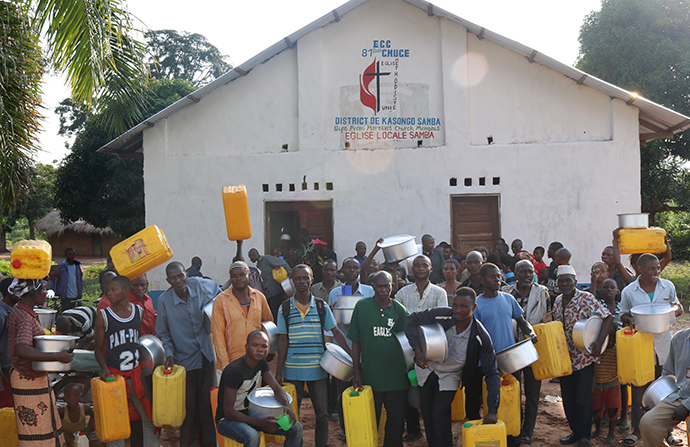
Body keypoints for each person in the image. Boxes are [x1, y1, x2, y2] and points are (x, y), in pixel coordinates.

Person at [405, 287, 500, 447]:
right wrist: (418, 351)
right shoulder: (442, 314)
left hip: (451, 375)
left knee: (439, 414)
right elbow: (410, 320)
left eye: (464, 307)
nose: (458, 310)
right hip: (427, 368)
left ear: (474, 308)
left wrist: (492, 410)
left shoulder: (480, 336)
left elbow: (492, 373)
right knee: (427, 414)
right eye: (455, 305)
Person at [275, 265, 351, 447]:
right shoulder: (284, 308)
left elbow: (336, 332)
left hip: (318, 369)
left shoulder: (320, 305)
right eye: (298, 278)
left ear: (311, 280)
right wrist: (278, 372)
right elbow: (283, 341)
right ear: (293, 281)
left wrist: (352, 359)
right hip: (293, 369)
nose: (301, 282)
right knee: (294, 413)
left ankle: (321, 444)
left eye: (305, 278)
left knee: (322, 414)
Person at [620, 253, 682, 446]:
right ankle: (637, 430)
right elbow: (622, 314)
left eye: (657, 268)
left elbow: (676, 306)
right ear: (640, 269)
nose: (656, 271)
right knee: (640, 391)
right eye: (651, 268)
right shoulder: (629, 291)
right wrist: (630, 320)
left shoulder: (668, 286)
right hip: (641, 348)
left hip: (664, 346)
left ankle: (667, 431)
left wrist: (677, 307)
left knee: (666, 390)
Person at [156, 262, 220, 447]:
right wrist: (169, 353)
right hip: (184, 362)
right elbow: (163, 332)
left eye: (180, 276)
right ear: (168, 280)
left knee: (207, 406)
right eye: (173, 278)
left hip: (206, 356)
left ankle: (209, 444)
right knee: (188, 409)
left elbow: (219, 292)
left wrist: (212, 308)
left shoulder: (200, 285)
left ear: (186, 275)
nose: (178, 280)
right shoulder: (164, 301)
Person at [547, 266, 612, 447]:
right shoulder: (558, 300)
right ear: (557, 284)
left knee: (583, 398)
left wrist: (599, 342)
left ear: (575, 282)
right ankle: (575, 431)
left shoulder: (586, 298)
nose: (565, 284)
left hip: (584, 358)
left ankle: (585, 436)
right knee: (567, 397)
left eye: (569, 280)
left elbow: (608, 317)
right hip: (565, 359)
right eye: (561, 281)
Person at [473, 263, 537, 447]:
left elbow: (523, 322)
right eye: (492, 277)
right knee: (490, 399)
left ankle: (514, 437)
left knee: (514, 397)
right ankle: (493, 436)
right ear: (483, 280)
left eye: (499, 276)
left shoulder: (508, 299)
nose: (497, 280)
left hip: (510, 360)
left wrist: (530, 333)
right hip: (487, 362)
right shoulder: (478, 304)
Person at [8, 278, 73, 447]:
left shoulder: (25, 312)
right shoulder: (24, 317)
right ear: (33, 292)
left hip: (33, 377)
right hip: (26, 379)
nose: (46, 293)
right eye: (43, 289)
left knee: (46, 426)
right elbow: (21, 349)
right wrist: (57, 356)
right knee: (36, 432)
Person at [348, 271, 409, 447]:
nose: (383, 290)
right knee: (369, 418)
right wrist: (356, 372)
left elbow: (409, 340)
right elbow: (356, 342)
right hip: (370, 376)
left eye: (387, 286)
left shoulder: (399, 310)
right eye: (379, 286)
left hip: (396, 377)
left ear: (392, 286)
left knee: (396, 421)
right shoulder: (362, 307)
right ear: (373, 287)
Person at [94, 275, 156, 447]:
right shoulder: (103, 316)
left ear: (125, 291)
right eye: (109, 290)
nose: (110, 293)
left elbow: (137, 339)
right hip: (115, 376)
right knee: (116, 421)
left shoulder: (138, 311)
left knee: (147, 417)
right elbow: (98, 348)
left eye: (114, 290)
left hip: (136, 375)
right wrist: (104, 367)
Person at [216, 331, 302, 447]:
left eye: (264, 346)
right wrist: (260, 423)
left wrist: (287, 405)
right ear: (246, 347)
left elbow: (276, 387)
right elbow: (228, 411)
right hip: (228, 420)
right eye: (255, 345)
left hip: (252, 415)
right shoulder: (234, 371)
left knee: (296, 428)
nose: (260, 349)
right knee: (252, 437)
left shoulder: (261, 363)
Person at [394, 255, 447, 442]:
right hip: (407, 350)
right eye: (417, 265)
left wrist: (422, 348)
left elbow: (439, 323)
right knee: (409, 389)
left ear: (431, 269)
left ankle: (433, 433)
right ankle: (414, 429)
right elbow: (400, 323)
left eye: (425, 265)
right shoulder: (402, 293)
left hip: (432, 350)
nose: (421, 268)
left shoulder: (439, 294)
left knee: (428, 393)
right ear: (412, 270)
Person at [501, 259, 550, 444]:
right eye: (523, 271)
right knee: (513, 390)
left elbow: (547, 316)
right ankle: (515, 426)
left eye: (530, 272)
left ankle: (528, 431)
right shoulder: (506, 292)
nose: (527, 275)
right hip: (511, 347)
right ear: (515, 272)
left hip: (534, 347)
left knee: (532, 391)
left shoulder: (541, 291)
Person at [328, 256, 374, 438]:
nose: (352, 271)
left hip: (368, 349)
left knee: (368, 388)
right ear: (343, 271)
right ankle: (346, 429)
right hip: (344, 349)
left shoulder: (369, 291)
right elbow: (333, 323)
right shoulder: (335, 293)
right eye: (349, 268)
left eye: (356, 268)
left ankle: (367, 424)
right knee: (344, 392)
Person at [212, 261, 272, 380]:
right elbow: (217, 335)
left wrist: (264, 354)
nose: (238, 278)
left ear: (248, 274)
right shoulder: (220, 300)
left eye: (242, 275)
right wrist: (225, 366)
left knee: (253, 397)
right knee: (230, 398)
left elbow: (267, 325)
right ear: (230, 278)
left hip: (255, 363)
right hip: (231, 363)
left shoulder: (259, 297)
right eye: (234, 276)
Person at [639, 327, 690, 447]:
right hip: (682, 395)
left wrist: (687, 405)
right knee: (648, 423)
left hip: (686, 402)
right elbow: (668, 373)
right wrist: (657, 400)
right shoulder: (679, 338)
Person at [592, 278, 622, 446]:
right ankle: (598, 428)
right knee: (596, 402)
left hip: (614, 357)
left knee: (613, 404)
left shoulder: (621, 308)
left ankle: (611, 433)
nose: (609, 290)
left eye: (612, 287)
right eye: (606, 287)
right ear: (601, 290)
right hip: (600, 354)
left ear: (617, 290)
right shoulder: (597, 307)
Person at [248, 248, 292, 320]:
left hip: (275, 290)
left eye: (251, 257)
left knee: (277, 310)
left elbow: (281, 262)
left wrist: (289, 271)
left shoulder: (266, 259)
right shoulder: (258, 264)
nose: (250, 259)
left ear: (254, 255)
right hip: (269, 292)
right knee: (272, 310)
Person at [0, 277, 19, 407]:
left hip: (11, 367)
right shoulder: (2, 314)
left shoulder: (13, 310)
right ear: (9, 292)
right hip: (4, 369)